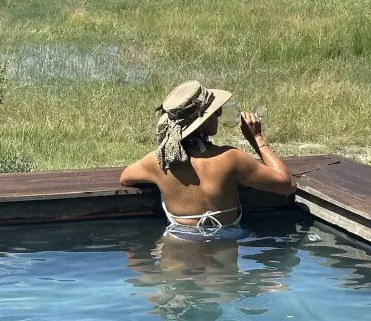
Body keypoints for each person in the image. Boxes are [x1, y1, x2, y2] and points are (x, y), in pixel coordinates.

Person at [119, 80, 296, 241]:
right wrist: (256, 138)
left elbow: (125, 178)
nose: (218, 115)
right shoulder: (231, 158)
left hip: (177, 249)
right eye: (215, 111)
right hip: (224, 247)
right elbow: (287, 184)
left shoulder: (157, 162)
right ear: (202, 121)